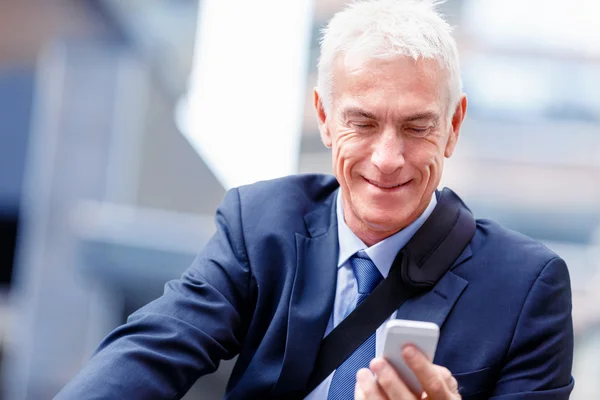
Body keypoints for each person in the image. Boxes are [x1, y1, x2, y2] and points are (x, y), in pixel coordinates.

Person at [56, 0, 574, 399]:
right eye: (362, 123)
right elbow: (152, 350)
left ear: (453, 126)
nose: (388, 158)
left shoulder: (527, 288)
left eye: (417, 127)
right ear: (324, 118)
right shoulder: (260, 226)